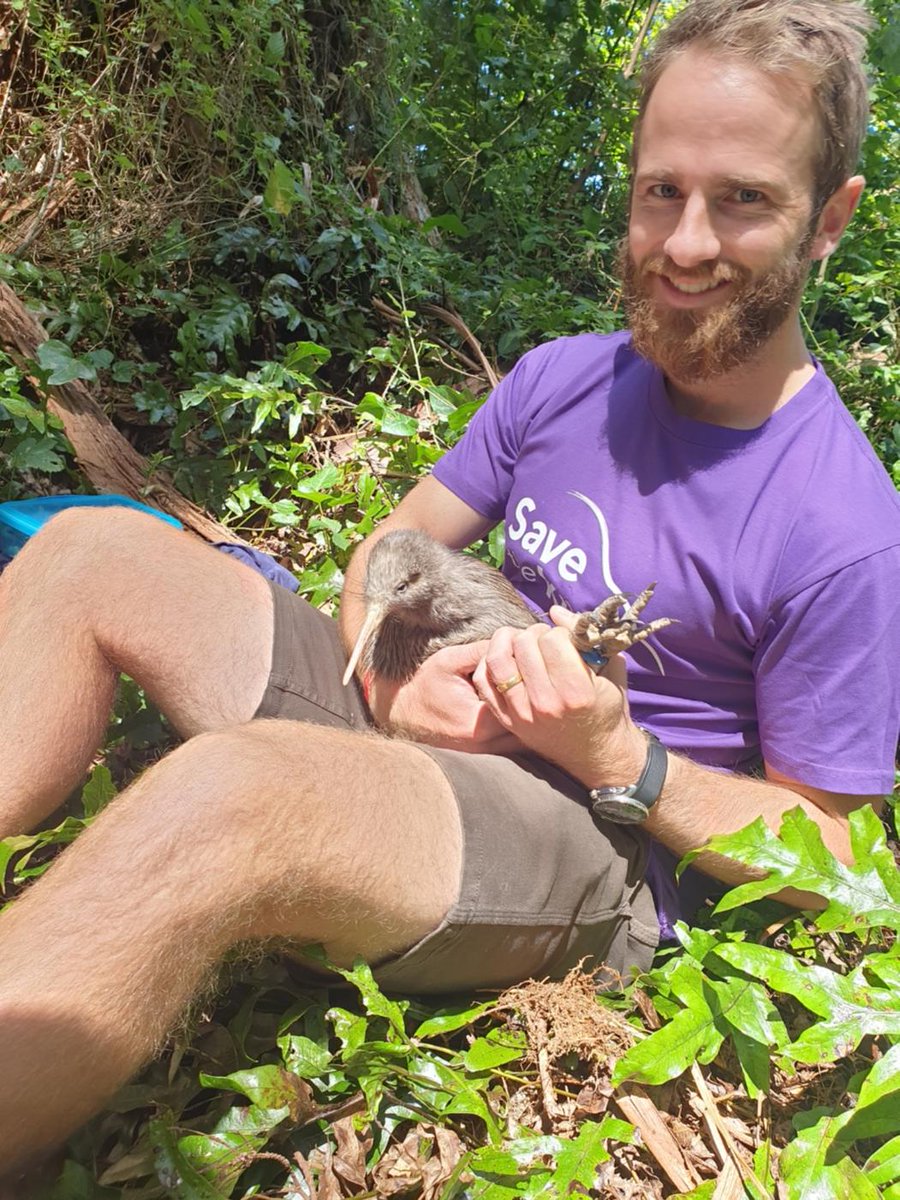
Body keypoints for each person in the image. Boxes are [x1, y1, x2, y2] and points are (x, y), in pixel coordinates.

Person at [1, 0, 898, 1173]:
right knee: (83, 550)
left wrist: (617, 760)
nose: (683, 244)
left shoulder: (846, 527)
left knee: (227, 798)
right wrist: (384, 672)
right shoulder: (562, 380)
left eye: (743, 199)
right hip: (421, 704)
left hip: (590, 833)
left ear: (830, 219)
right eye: (658, 190)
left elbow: (836, 849)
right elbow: (396, 539)